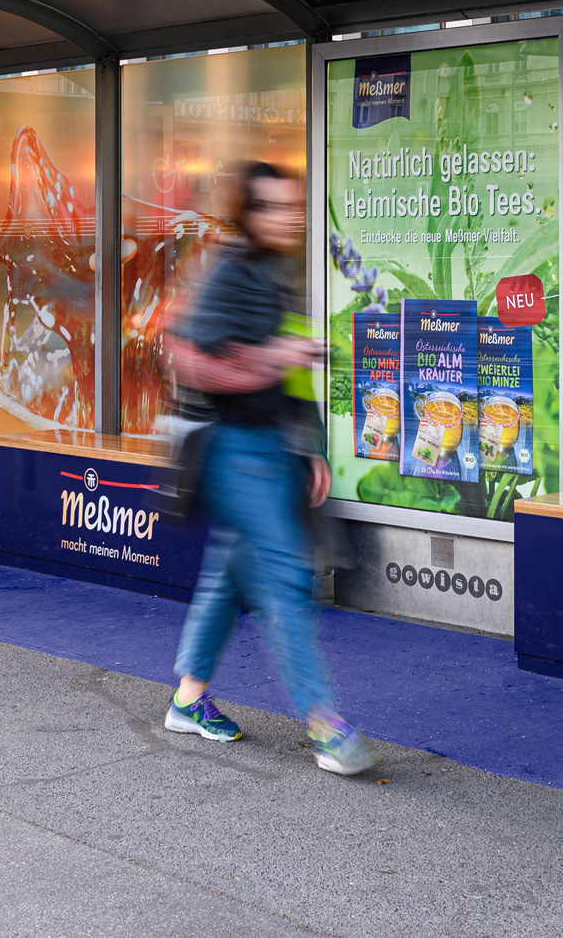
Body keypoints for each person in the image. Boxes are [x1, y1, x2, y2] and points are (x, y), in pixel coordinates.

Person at [161, 161, 377, 776]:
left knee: (230, 572)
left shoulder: (275, 271)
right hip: (235, 450)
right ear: (249, 213)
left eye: (295, 206)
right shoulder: (231, 270)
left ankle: (188, 700)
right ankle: (324, 725)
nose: (290, 217)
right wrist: (272, 357)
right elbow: (189, 357)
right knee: (284, 576)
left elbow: (294, 376)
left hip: (274, 447)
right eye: (276, 207)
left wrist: (310, 446)